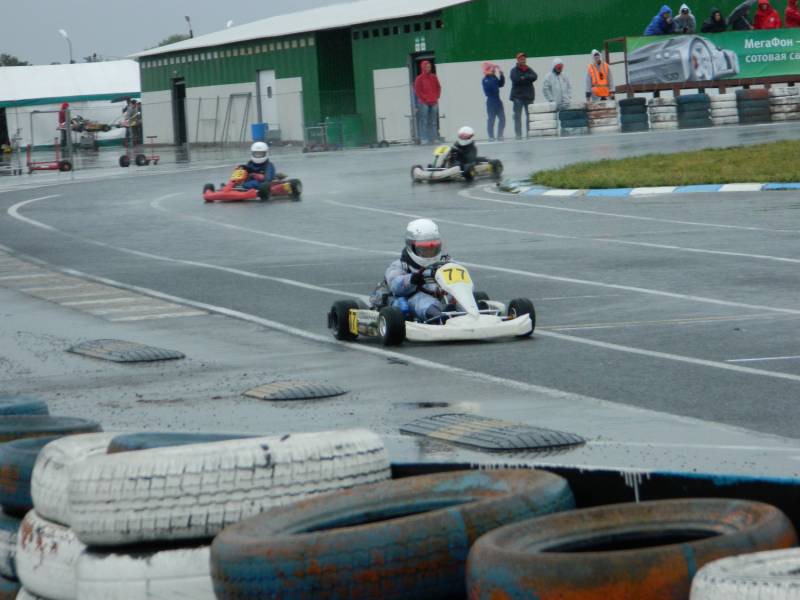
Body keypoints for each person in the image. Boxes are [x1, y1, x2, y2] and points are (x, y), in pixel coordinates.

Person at [384, 218, 449, 323]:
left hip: (443, 296)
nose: (429, 253)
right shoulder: (401, 265)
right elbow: (394, 284)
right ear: (412, 247)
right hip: (414, 299)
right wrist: (411, 279)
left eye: (433, 249)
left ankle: (472, 313)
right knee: (423, 301)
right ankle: (438, 317)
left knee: (460, 298)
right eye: (424, 249)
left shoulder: (445, 262)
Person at [509, 53, 538, 140]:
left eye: (524, 59)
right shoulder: (513, 70)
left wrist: (524, 77)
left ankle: (529, 134)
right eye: (521, 59)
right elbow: (516, 79)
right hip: (518, 97)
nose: (523, 60)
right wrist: (527, 79)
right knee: (517, 117)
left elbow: (535, 76)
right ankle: (518, 135)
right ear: (518, 60)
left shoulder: (528, 69)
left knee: (530, 117)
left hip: (528, 97)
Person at [414, 61, 441, 145]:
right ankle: (424, 139)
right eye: (427, 67)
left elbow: (438, 87)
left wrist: (436, 96)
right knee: (424, 121)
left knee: (433, 121)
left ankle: (434, 138)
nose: (429, 68)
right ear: (423, 67)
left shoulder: (434, 77)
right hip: (424, 102)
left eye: (430, 67)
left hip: (434, 101)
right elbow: (417, 91)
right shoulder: (419, 78)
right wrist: (424, 98)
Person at [481, 62, 505, 141]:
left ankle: (500, 135)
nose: (494, 70)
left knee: (502, 119)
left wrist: (501, 75)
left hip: (498, 100)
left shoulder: (494, 78)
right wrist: (492, 76)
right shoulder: (485, 79)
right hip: (491, 101)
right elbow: (493, 89)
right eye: (492, 69)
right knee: (491, 119)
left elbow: (501, 84)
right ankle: (491, 136)